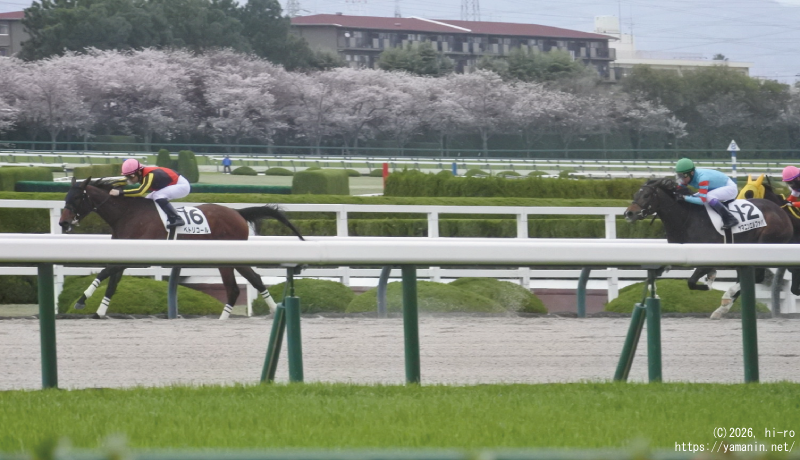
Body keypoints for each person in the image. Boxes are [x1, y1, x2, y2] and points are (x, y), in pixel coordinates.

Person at [110, 159, 190, 228]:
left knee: (157, 195)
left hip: (181, 186)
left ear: (139, 172)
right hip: (173, 184)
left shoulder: (149, 175)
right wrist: (110, 184)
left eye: (131, 176)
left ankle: (176, 218)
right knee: (147, 199)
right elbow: (124, 181)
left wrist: (120, 193)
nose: (129, 179)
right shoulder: (139, 174)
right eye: (127, 176)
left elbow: (139, 192)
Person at [674, 157, 739, 230]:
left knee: (708, 197)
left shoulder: (702, 178)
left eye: (683, 176)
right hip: (716, 188)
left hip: (730, 188)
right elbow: (678, 188)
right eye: (680, 176)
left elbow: (702, 201)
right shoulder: (688, 177)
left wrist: (684, 197)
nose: (682, 179)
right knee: (694, 196)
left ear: (692, 173)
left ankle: (730, 219)